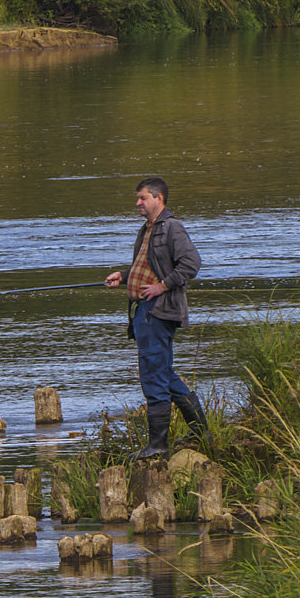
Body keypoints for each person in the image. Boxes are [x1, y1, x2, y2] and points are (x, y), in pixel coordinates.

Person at [104, 176, 208, 459]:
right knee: (163, 373)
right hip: (143, 312)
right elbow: (147, 266)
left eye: (142, 198)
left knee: (153, 376)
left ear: (158, 198)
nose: (137, 203)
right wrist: (124, 277)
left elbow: (191, 263)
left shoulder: (171, 228)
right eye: (138, 198)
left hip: (158, 312)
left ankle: (158, 445)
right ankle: (202, 431)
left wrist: (162, 286)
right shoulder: (148, 229)